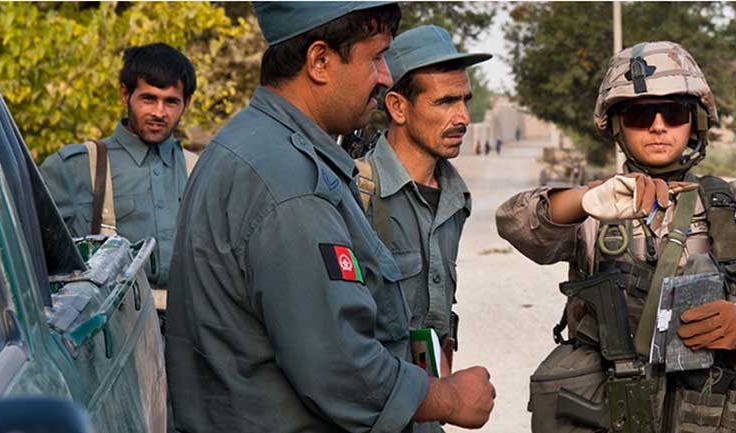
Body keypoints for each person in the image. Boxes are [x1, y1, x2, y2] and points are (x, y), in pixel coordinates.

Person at [164, 4, 495, 433]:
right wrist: (447, 397)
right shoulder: (287, 180)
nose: (384, 75)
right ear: (319, 61)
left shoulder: (254, 143)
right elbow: (340, 369)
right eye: (375, 58)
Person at [495, 41, 736, 433]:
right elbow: (515, 223)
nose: (659, 126)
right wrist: (582, 200)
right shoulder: (596, 208)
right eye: (640, 115)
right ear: (617, 125)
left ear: (695, 120)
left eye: (675, 113)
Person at [359, 23, 490, 379]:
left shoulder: (455, 199)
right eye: (446, 101)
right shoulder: (357, 193)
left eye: (465, 100)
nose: (463, 117)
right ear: (398, 107)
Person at [39, 42, 198, 310]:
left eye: (171, 101)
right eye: (149, 98)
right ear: (126, 96)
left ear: (186, 104)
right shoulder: (75, 167)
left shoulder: (200, 170)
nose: (159, 112)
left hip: (186, 330)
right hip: (111, 332)